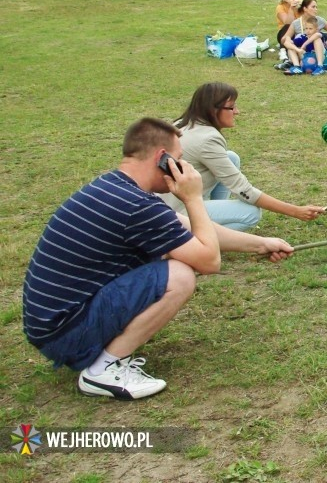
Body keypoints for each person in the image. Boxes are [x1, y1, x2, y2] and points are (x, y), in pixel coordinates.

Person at [22, 118, 294, 400]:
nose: (184, 168)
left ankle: (104, 354)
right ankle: (102, 370)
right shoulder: (137, 205)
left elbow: (188, 227)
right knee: (179, 276)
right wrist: (193, 198)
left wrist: (261, 244)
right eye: (178, 160)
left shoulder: (117, 188)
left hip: (53, 325)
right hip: (65, 334)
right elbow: (210, 261)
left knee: (170, 265)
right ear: (161, 159)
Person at [164, 82, 326, 231]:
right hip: (176, 212)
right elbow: (244, 190)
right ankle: (200, 242)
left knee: (231, 158)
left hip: (167, 201)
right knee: (250, 213)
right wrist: (295, 211)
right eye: (231, 107)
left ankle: (212, 211)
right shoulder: (207, 139)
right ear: (213, 110)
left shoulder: (182, 124)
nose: (237, 112)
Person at [274, 0, 301, 70]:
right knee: (288, 26)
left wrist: (290, 1)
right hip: (284, 33)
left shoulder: (299, 2)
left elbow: (307, 9)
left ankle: (291, 59)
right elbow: (288, 22)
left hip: (299, 31)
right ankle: (283, 52)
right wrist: (291, 7)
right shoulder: (280, 7)